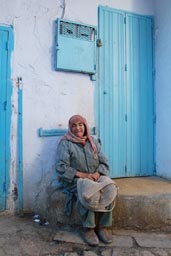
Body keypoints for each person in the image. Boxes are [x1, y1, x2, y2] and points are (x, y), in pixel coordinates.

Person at [56, 114, 114, 246]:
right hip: (75, 180)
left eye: (80, 124)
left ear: (85, 126)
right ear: (70, 128)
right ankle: (88, 228)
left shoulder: (92, 141)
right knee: (88, 191)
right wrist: (83, 175)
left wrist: (98, 174)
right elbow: (61, 167)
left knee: (110, 188)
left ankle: (103, 227)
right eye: (74, 125)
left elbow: (104, 162)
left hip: (94, 177)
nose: (77, 128)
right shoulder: (66, 143)